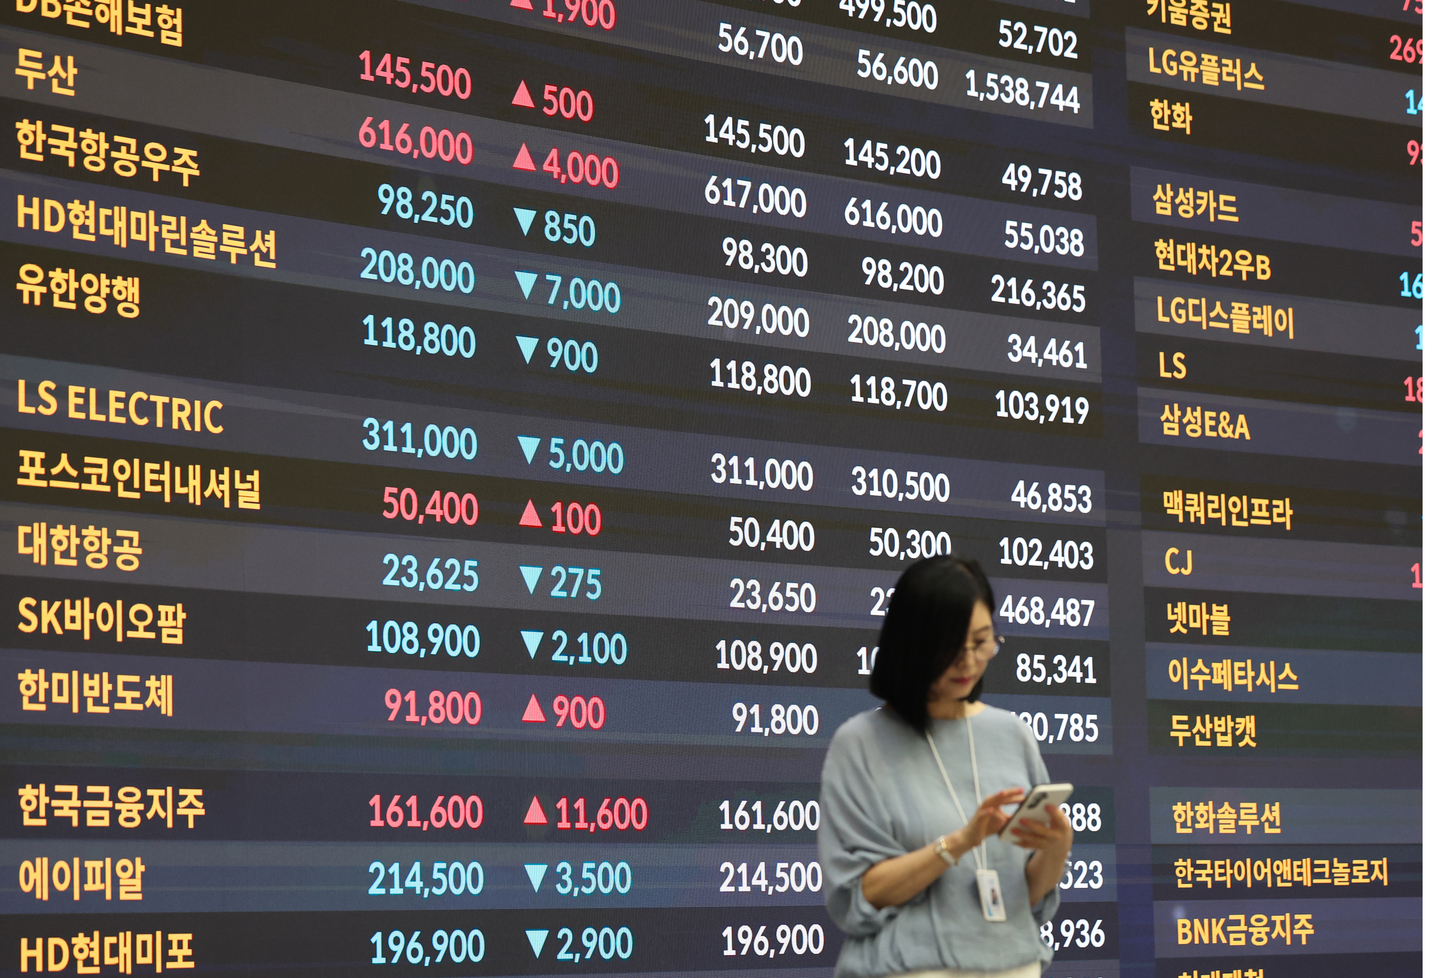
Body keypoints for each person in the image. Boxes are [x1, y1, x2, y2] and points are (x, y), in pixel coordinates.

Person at [818, 556, 1072, 978]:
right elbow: (861, 895)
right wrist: (958, 843)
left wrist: (1057, 848)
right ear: (911, 644)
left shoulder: (1013, 734)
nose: (968, 662)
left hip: (1014, 965)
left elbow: (1024, 896)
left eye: (982, 642)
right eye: (951, 646)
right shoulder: (860, 743)